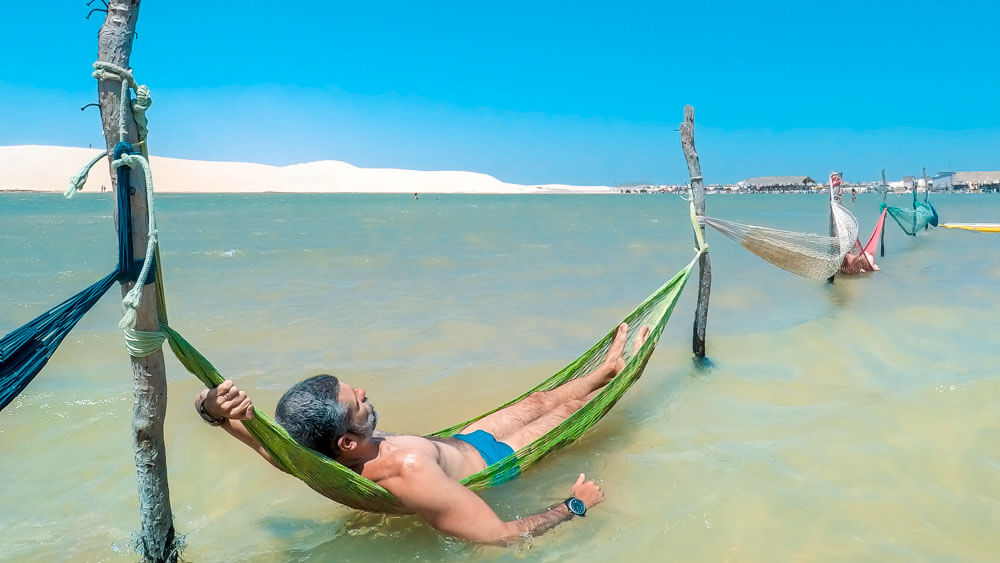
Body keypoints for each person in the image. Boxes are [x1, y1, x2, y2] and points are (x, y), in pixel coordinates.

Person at [194, 322, 650, 545]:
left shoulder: (312, 458)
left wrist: (210, 406)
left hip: (462, 440)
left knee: (540, 401)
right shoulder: (407, 473)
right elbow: (499, 536)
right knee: (570, 413)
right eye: (358, 403)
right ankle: (613, 379)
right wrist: (575, 506)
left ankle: (605, 369)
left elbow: (254, 437)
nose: (366, 392)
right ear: (348, 443)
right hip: (496, 460)